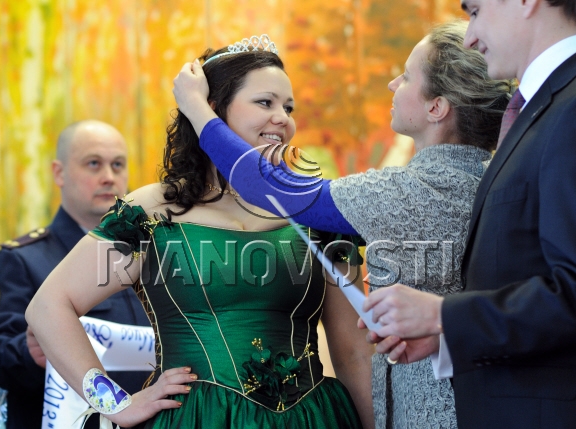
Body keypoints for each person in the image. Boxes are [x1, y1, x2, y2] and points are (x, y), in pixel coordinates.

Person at [172, 22, 513, 429]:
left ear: (436, 107)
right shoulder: (491, 178)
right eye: (265, 102)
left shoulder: (417, 191)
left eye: (406, 76)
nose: (392, 84)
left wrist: (195, 107)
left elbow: (270, 188)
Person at [25, 36, 375, 429]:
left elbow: (354, 351)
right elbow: (48, 307)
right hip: (197, 419)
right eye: (266, 102)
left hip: (313, 420)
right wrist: (115, 403)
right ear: (211, 108)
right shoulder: (152, 211)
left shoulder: (313, 212)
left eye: (288, 107)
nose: (283, 119)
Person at [356, 0, 576, 428]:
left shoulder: (568, 109)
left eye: (474, 11)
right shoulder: (540, 110)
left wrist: (442, 314)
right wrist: (447, 335)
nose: (471, 37)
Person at [0, 120, 152, 429]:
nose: (109, 177)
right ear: (59, 173)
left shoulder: (152, 257)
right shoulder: (20, 260)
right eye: (93, 164)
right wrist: (28, 353)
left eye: (117, 165)